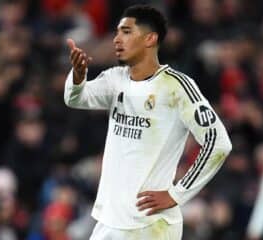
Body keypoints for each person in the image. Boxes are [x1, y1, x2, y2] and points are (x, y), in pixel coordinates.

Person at [64, 5, 232, 240]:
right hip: (110, 220)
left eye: (126, 32)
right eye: (116, 32)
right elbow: (76, 99)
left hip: (150, 224)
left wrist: (177, 193)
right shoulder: (115, 79)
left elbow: (218, 142)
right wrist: (78, 78)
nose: (116, 39)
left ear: (150, 38)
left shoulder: (178, 87)